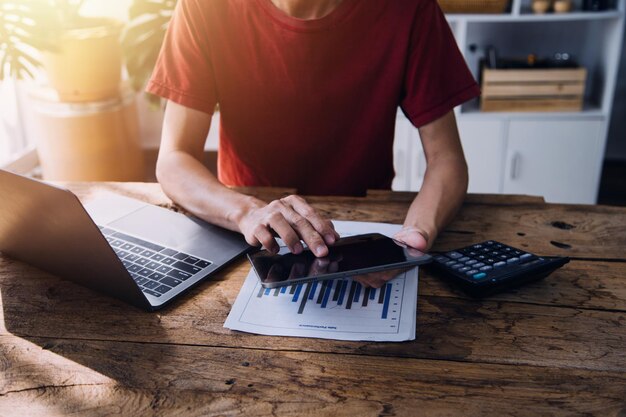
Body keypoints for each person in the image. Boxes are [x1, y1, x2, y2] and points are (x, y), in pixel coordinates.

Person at [147, 0, 480, 257]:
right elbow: (174, 158)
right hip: (246, 226)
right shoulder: (204, 7)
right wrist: (245, 212)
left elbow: (446, 160)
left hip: (361, 229)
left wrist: (416, 233)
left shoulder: (410, 9)